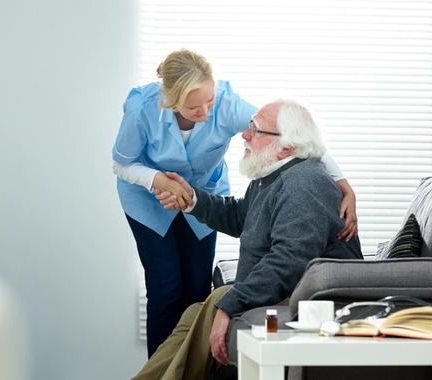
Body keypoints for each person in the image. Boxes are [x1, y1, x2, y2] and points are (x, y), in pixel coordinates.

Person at [111, 49, 358, 356]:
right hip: (148, 196)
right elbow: (122, 163)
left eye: (209, 102)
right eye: (194, 107)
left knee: (196, 290)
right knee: (165, 286)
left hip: (201, 191)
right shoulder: (142, 110)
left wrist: (343, 183)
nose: (206, 111)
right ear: (171, 101)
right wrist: (156, 180)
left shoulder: (295, 178)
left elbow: (295, 136)